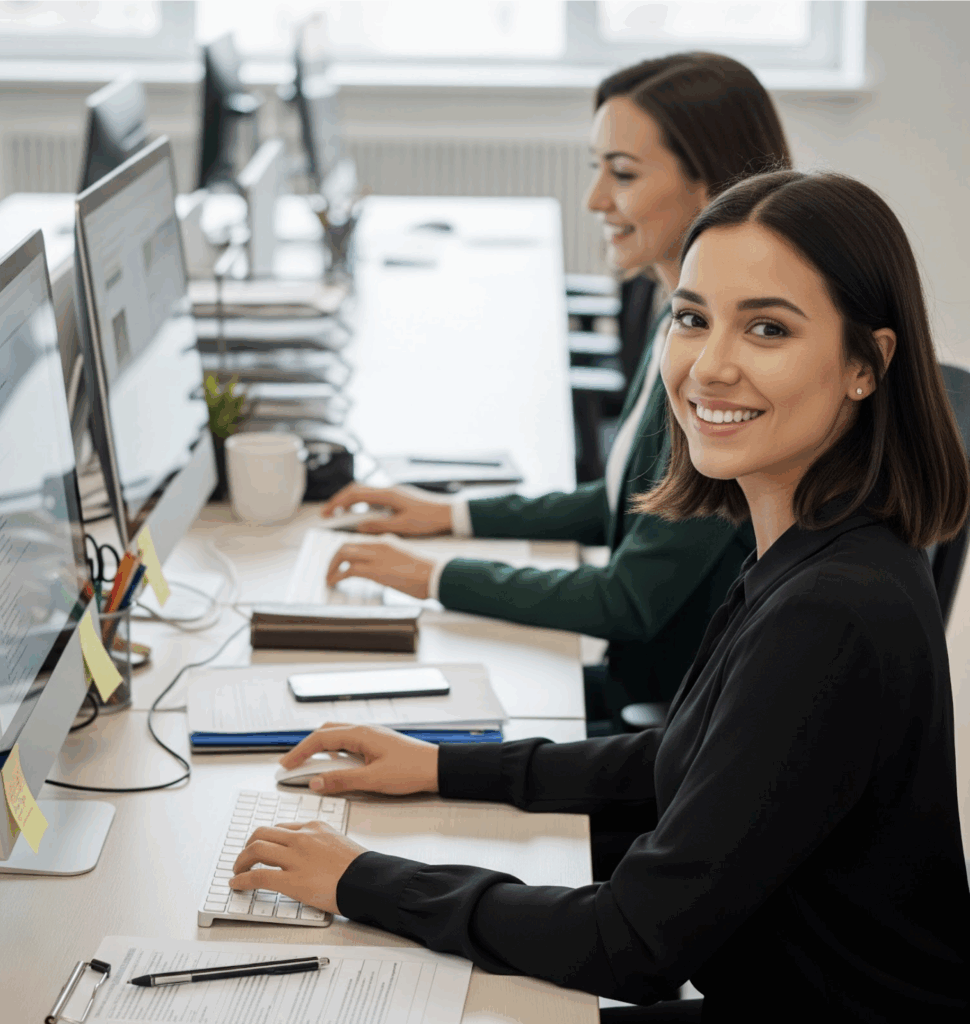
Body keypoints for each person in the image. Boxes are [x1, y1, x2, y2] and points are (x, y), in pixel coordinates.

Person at [230, 170, 970, 1021]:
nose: (711, 366)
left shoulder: (831, 609)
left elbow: (632, 945)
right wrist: (440, 764)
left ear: (866, 367)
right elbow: (675, 758)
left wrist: (361, 880)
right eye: (693, 319)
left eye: (767, 328)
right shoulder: (813, 542)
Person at [319, 53, 792, 732]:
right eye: (596, 168)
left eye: (622, 174)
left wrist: (431, 578)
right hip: (642, 688)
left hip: (672, 725)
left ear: (713, 184)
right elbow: (623, 502)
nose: (596, 199)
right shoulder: (676, 316)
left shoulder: (722, 373)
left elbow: (627, 600)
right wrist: (450, 517)